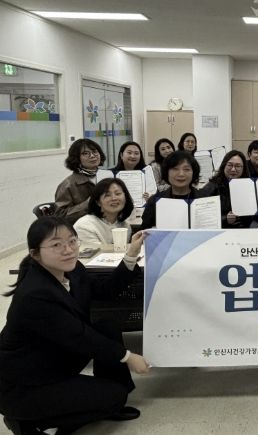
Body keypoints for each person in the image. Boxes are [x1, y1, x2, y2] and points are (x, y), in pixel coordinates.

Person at [0, 217, 150, 435]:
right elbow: (80, 336)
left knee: (107, 327)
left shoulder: (73, 269)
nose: (68, 250)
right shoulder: (35, 294)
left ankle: (109, 402)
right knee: (114, 396)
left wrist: (131, 254)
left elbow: (105, 290)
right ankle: (27, 422)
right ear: (35, 254)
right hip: (23, 384)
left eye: (72, 241)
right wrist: (128, 357)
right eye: (56, 245)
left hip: (50, 357)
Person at [141, 151, 201, 229]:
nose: (181, 174)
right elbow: (144, 232)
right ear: (166, 172)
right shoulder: (154, 201)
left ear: (194, 173)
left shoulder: (204, 199)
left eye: (186, 169)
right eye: (175, 169)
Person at [55, 139, 107, 225]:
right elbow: (60, 217)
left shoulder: (107, 176)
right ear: (76, 158)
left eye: (95, 152)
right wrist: (88, 204)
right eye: (85, 153)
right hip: (83, 227)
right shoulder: (68, 185)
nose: (92, 156)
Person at [201, 150, 254, 228]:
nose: (233, 169)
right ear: (224, 166)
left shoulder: (247, 186)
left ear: (243, 169)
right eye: (230, 165)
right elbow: (202, 216)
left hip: (243, 230)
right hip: (219, 230)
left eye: (238, 166)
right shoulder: (212, 186)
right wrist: (225, 219)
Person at [74, 178, 134, 245]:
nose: (114, 198)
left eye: (118, 194)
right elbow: (97, 251)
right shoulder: (85, 225)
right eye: (107, 195)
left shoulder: (125, 226)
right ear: (98, 202)